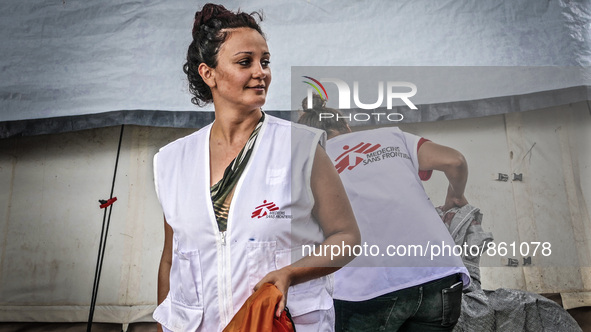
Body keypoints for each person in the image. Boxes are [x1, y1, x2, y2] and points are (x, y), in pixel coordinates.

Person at [152, 5, 360, 332]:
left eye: (265, 61)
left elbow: (347, 237)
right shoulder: (171, 161)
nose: (260, 72)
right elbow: (171, 259)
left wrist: (291, 273)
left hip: (278, 324)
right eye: (244, 62)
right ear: (209, 74)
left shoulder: (300, 148)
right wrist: (166, 324)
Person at [298, 94, 471, 331]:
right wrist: (455, 195)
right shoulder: (391, 136)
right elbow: (455, 161)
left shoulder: (308, 163)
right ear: (347, 126)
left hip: (366, 290)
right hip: (440, 273)